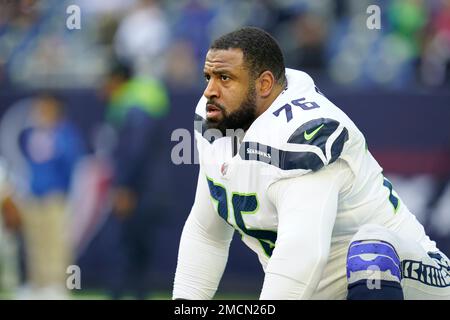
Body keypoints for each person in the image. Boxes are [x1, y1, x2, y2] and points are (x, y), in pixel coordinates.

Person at [172, 27, 450, 300]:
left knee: (371, 251)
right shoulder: (218, 115)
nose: (210, 91)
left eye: (224, 78)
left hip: (414, 279)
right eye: (208, 77)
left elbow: (302, 255)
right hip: (317, 290)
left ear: (265, 84)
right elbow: (207, 233)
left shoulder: (305, 134)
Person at [102, 60, 170, 299]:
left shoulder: (133, 108)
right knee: (140, 256)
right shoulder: (148, 100)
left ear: (117, 80)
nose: (103, 88)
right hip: (152, 191)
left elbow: (134, 151)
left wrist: (124, 188)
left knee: (124, 251)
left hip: (137, 193)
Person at [17, 93, 86, 299]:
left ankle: (58, 285)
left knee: (57, 243)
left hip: (56, 195)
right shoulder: (32, 133)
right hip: (34, 194)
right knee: (35, 243)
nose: (41, 112)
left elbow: (73, 161)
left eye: (46, 108)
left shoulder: (65, 133)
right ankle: (37, 284)